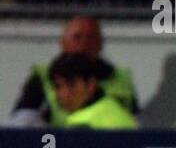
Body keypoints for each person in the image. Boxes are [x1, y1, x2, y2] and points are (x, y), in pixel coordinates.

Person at [10, 15, 138, 127]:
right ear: (62, 42)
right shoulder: (42, 76)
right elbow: (21, 124)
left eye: (91, 37)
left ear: (91, 85)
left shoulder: (120, 77)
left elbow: (138, 122)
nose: (84, 44)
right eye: (77, 37)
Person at [43, 53, 137, 129]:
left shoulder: (82, 124)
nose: (64, 93)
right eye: (58, 86)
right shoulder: (114, 109)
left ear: (91, 84)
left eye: (71, 85)